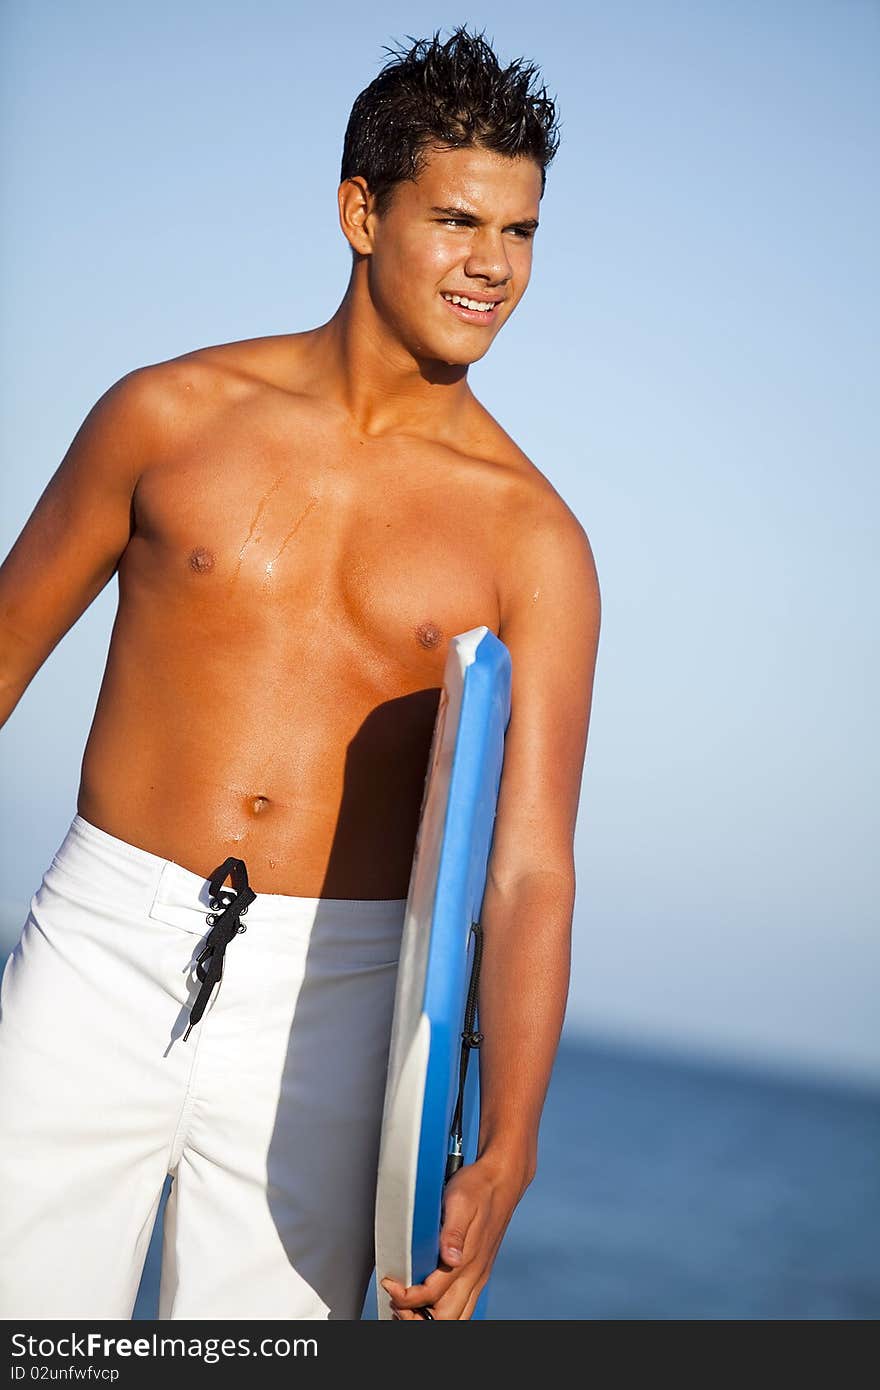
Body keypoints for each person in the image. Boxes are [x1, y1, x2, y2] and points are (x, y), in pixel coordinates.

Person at [0, 25, 600, 1321]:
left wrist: (513, 1139)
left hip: (339, 1002)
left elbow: (531, 861)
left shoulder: (532, 540)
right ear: (360, 211)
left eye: (522, 230)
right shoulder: (166, 417)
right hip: (101, 940)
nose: (493, 264)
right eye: (456, 219)